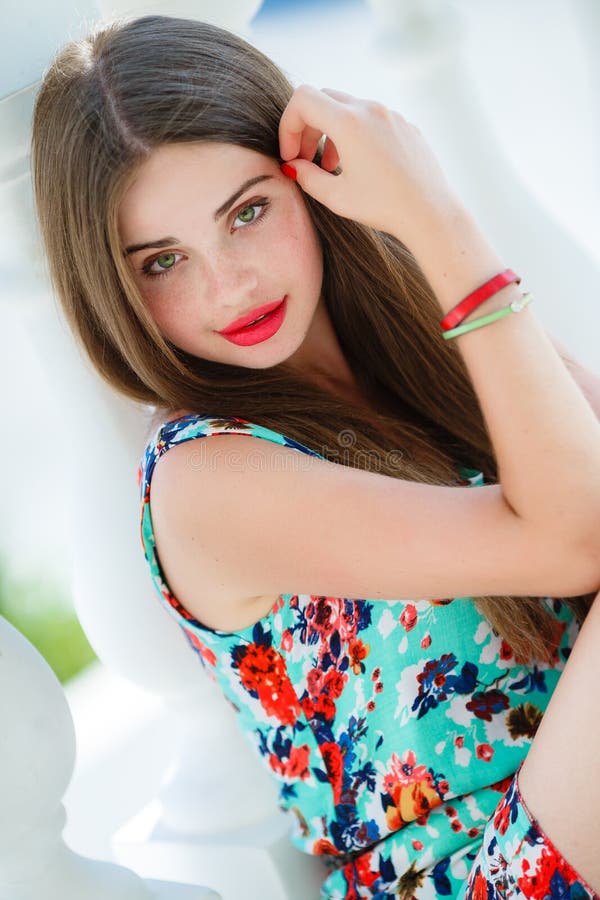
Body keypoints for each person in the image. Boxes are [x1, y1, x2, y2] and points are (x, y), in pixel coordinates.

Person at [30, 14, 600, 900]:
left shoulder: (420, 333)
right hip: (480, 877)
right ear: (111, 286)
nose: (230, 286)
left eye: (247, 213)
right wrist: (431, 211)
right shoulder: (205, 479)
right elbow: (580, 539)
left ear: (311, 181)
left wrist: (421, 250)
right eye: (162, 262)